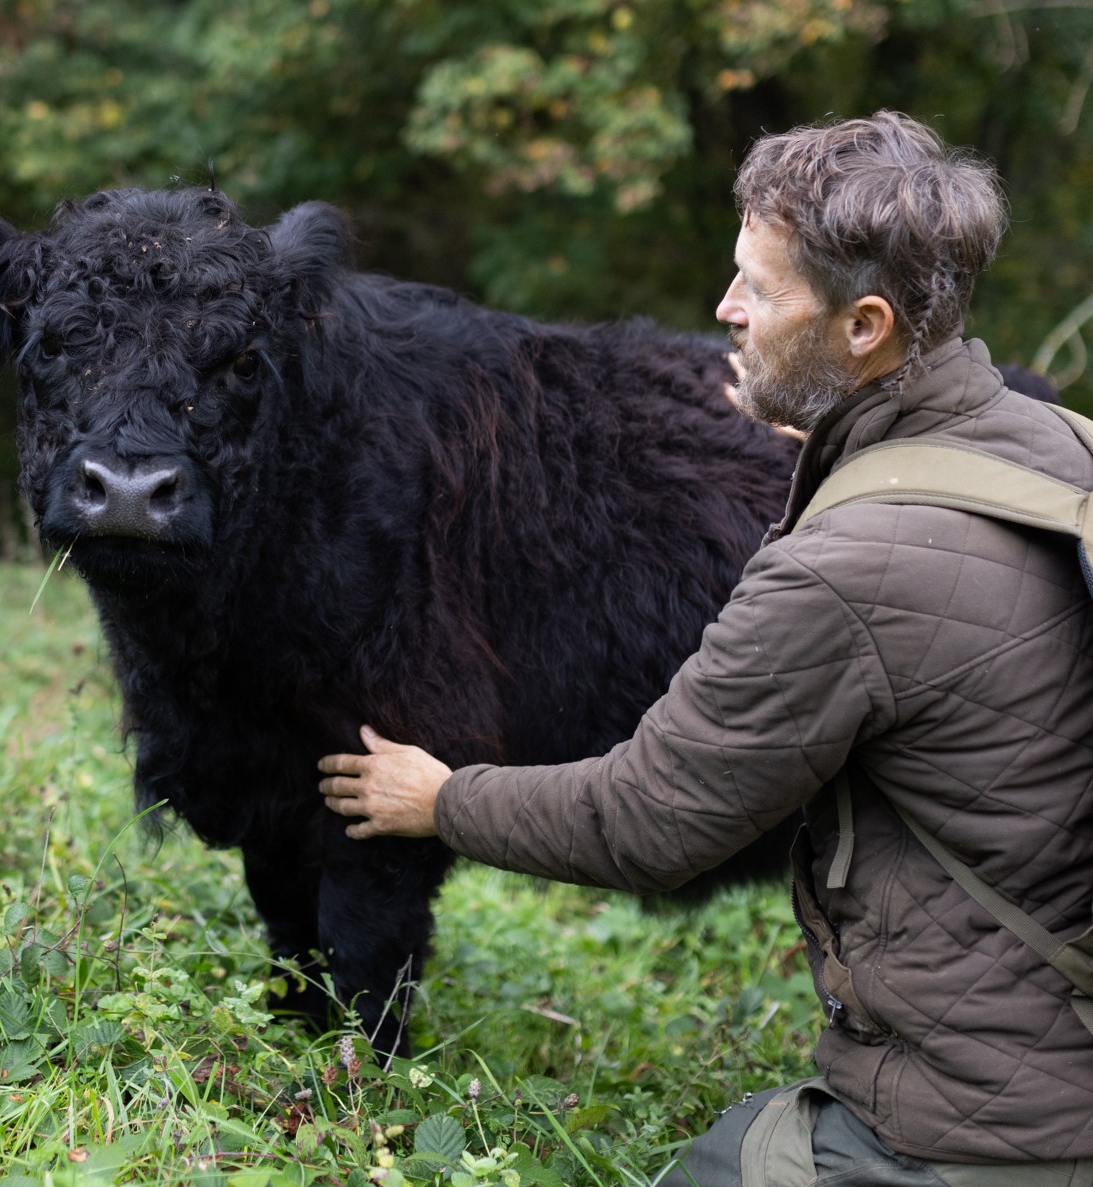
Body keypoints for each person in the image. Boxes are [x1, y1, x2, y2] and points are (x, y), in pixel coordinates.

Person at [317, 112, 1093, 1184]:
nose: (724, 311)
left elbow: (642, 819)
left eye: (758, 291)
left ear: (864, 326)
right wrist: (830, 442)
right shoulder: (1056, 445)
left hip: (981, 1130)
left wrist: (437, 797)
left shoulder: (838, 572)